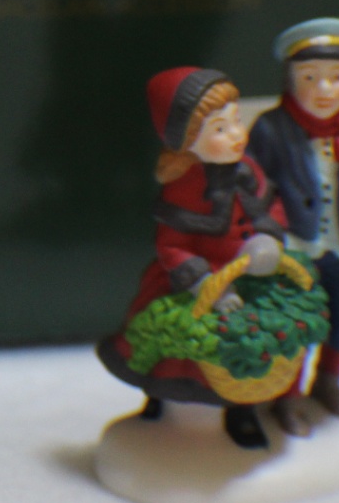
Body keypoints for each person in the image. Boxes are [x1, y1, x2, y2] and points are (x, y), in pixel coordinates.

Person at [97, 67, 291, 449]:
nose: (236, 134)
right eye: (220, 129)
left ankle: (242, 409)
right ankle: (161, 399)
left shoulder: (248, 169)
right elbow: (172, 246)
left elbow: (272, 206)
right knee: (176, 352)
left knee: (250, 344)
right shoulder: (182, 188)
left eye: (236, 121)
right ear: (187, 141)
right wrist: (206, 284)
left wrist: (269, 237)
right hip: (197, 283)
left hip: (248, 273)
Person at [245, 18, 339, 434]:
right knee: (297, 329)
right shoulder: (271, 129)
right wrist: (269, 229)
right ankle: (287, 397)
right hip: (295, 252)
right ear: (290, 81)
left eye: (337, 77)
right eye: (310, 77)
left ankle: (329, 382)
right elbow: (252, 188)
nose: (325, 89)